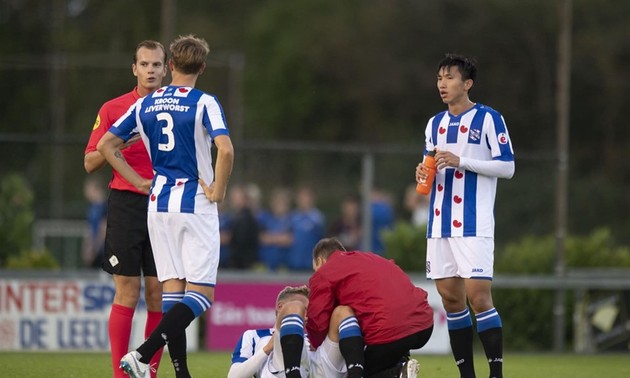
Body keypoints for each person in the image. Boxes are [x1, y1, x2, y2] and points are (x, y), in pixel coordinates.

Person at [97, 34, 234, 378]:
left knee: (173, 297)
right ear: (202, 67)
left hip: (157, 206)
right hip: (194, 204)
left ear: (170, 65)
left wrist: (137, 179)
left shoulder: (145, 103)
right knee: (200, 296)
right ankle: (142, 355)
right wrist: (218, 190)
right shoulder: (205, 102)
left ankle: (181, 374)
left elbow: (106, 144)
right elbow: (226, 149)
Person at [415, 53, 515, 378]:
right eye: (439, 78)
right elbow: (431, 166)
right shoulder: (434, 124)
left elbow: (507, 166)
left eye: (450, 78)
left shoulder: (489, 119)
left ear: (467, 83)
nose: (442, 84)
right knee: (450, 299)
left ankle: (496, 374)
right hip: (440, 222)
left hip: (475, 221)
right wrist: (422, 173)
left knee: (479, 296)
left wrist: (462, 161)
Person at [83, 40, 167, 378]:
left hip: (165, 204)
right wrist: (120, 142)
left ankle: (150, 372)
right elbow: (89, 162)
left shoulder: (175, 107)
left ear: (166, 68)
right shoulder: (113, 109)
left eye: (156, 65)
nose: (150, 70)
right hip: (126, 204)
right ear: (134, 68)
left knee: (158, 292)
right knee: (128, 291)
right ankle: (121, 375)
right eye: (144, 64)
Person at [306, 237, 434, 378]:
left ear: (319, 261)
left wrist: (315, 344)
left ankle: (398, 373)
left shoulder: (325, 272)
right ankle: (399, 364)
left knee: (357, 371)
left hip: (389, 331)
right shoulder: (372, 258)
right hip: (424, 325)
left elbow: (317, 320)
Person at [228, 285, 360, 378]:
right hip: (281, 371)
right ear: (280, 307)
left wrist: (319, 344)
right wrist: (267, 349)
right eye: (304, 310)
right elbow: (233, 376)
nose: (306, 316)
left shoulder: (313, 338)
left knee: (343, 312)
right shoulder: (253, 336)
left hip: (318, 371)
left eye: (308, 311)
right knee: (294, 307)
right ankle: (293, 371)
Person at [288, 186, 324, 271]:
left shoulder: (317, 218)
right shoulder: (293, 217)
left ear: (311, 199)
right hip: (294, 263)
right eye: (300, 197)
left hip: (310, 264)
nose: (303, 200)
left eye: (305, 197)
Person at [258, 187, 293, 271]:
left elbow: (289, 239)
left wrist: (271, 238)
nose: (279, 205)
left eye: (282, 203)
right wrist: (279, 238)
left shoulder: (291, 219)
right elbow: (262, 238)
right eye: (277, 202)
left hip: (284, 264)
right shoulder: (266, 219)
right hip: (266, 263)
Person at [81, 176, 107, 269]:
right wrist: (87, 247)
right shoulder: (91, 207)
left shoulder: (105, 205)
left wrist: (95, 248)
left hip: (103, 251)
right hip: (93, 251)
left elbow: (103, 229)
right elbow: (90, 229)